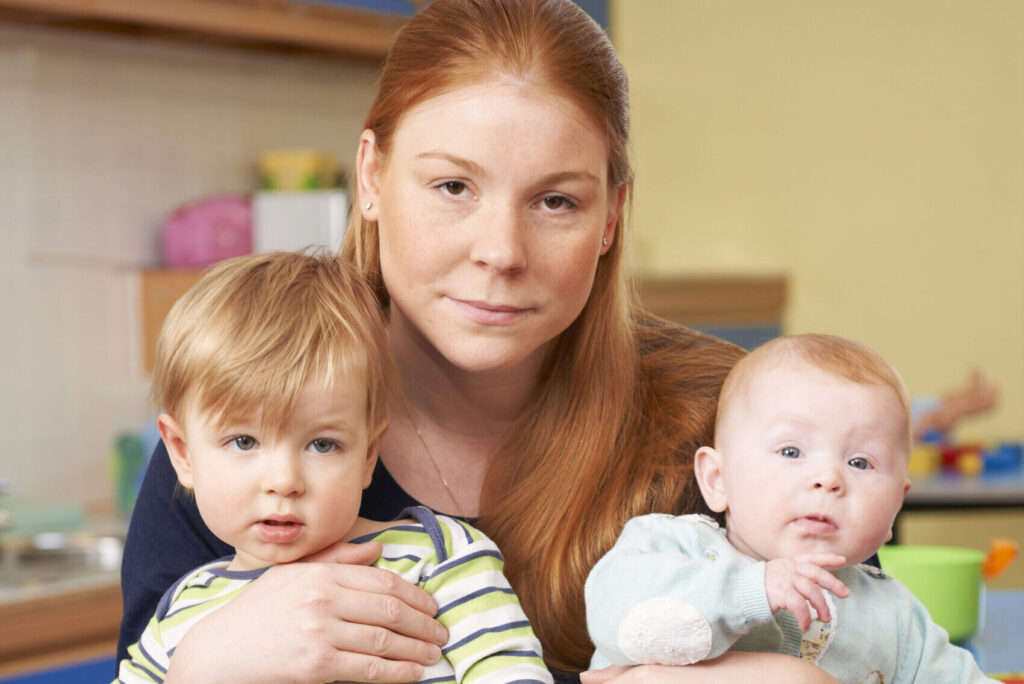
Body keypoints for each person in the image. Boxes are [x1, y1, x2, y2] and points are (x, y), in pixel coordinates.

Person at [117, 1, 843, 682]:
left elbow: (882, 647)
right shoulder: (242, 423)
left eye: (556, 201)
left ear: (612, 216)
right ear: (371, 176)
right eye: (454, 188)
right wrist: (205, 662)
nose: (501, 251)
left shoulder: (729, 423)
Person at [116, 251, 552, 684]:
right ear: (182, 453)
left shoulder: (440, 558)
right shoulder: (178, 618)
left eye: (322, 444)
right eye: (243, 441)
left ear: (367, 455)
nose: (284, 481)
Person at [585, 334, 996, 684]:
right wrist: (751, 590)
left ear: (895, 506)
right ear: (717, 480)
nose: (828, 478)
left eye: (860, 463)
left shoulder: (897, 618)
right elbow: (618, 619)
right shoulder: (672, 545)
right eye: (791, 450)